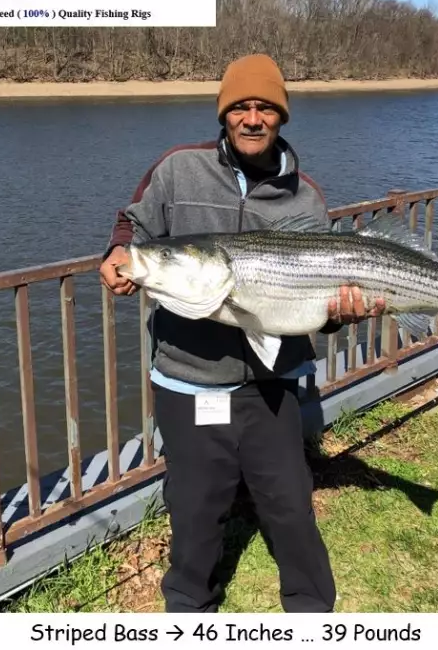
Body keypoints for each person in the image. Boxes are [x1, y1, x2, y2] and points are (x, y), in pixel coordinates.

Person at [99, 53, 385, 613]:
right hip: (188, 380)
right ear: (223, 114)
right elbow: (133, 223)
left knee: (290, 504)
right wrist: (118, 254)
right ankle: (188, 607)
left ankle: (311, 610)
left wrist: (341, 313)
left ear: (281, 117)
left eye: (265, 108)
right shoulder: (177, 169)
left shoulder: (305, 195)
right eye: (240, 107)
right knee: (195, 508)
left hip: (271, 384)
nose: (252, 118)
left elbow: (316, 304)